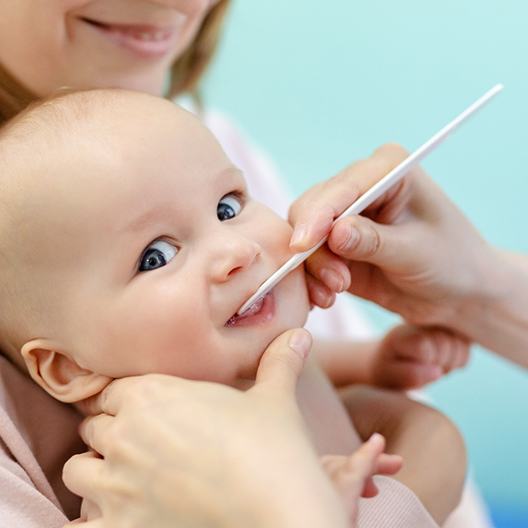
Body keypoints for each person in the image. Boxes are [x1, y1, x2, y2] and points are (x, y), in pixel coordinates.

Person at [0, 1, 491, 526]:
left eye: (228, 207)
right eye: (156, 256)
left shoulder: (241, 344)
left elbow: (300, 357)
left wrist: (372, 361)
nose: (236, 251)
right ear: (69, 367)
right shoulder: (139, 460)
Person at [288, 142, 528, 369]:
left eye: (247, 200)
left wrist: (369, 365)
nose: (248, 251)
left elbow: (313, 371)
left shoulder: (290, 352)